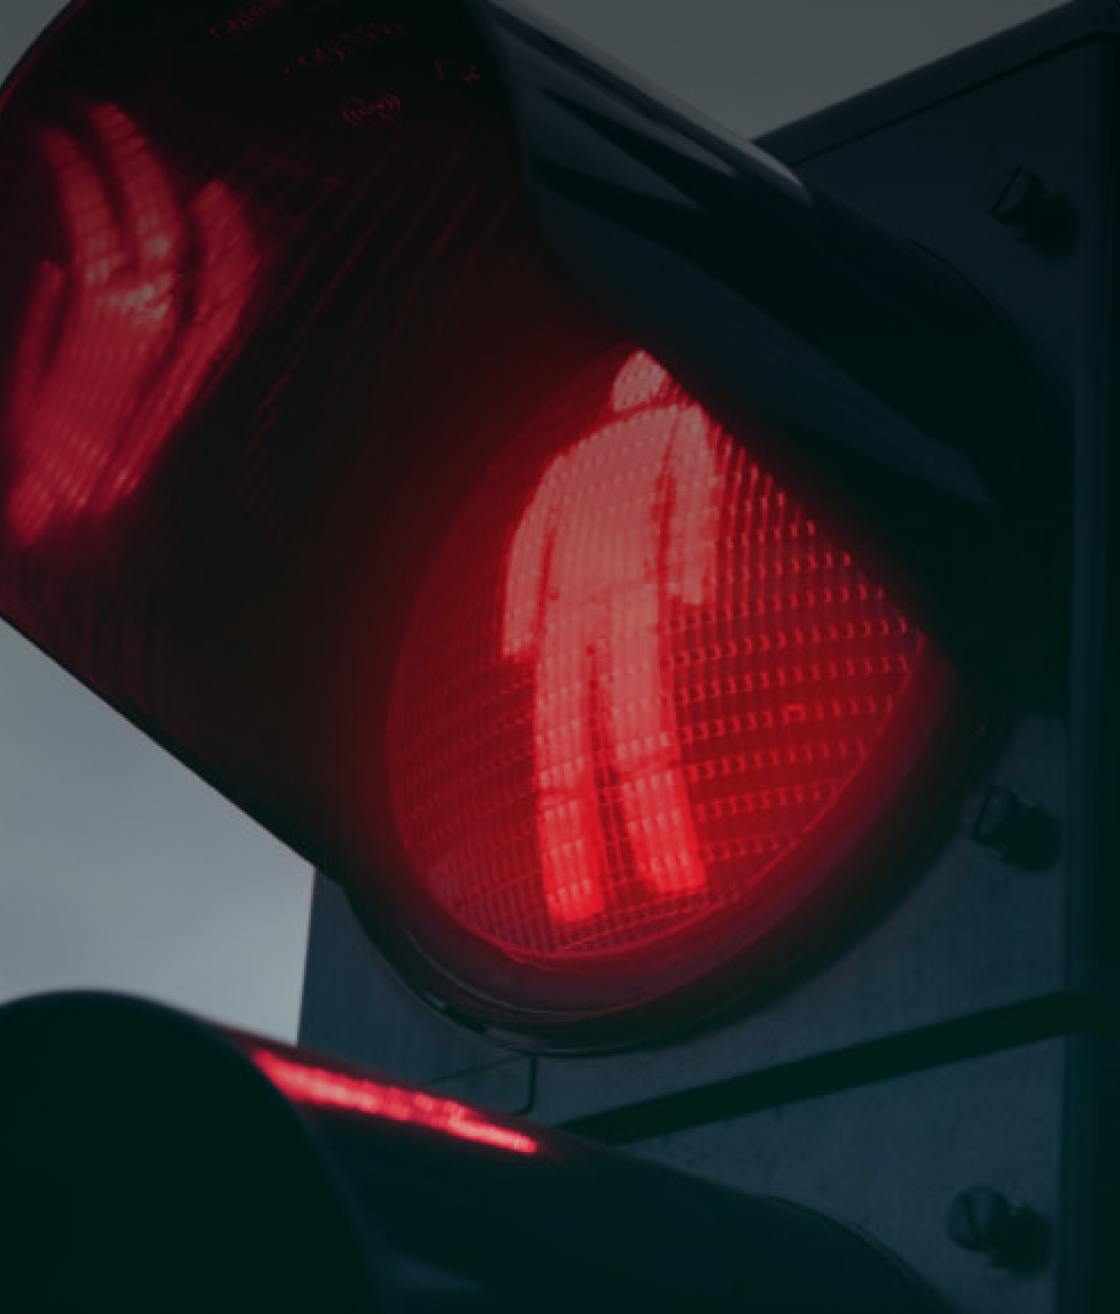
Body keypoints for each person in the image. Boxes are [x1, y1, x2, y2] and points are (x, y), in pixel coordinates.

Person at [503, 350, 728, 926]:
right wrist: (688, 584)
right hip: (619, 599)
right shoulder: (660, 430)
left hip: (598, 604)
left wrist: (520, 633)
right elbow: (532, 540)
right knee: (627, 744)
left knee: (590, 753)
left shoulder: (580, 453)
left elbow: (531, 543)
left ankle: (596, 893)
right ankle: (652, 878)